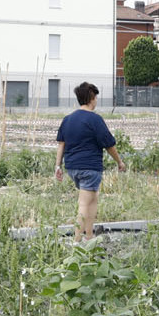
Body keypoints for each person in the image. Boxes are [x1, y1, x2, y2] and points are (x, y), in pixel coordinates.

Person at [54, 82, 127, 241]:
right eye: (95, 98)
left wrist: (57, 166)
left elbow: (61, 144)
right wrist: (119, 162)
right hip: (90, 168)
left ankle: (89, 236)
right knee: (84, 204)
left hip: (72, 167)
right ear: (91, 98)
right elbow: (109, 144)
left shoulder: (68, 119)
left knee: (92, 199)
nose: (96, 101)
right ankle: (77, 242)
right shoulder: (95, 119)